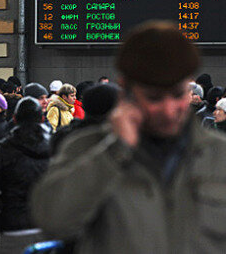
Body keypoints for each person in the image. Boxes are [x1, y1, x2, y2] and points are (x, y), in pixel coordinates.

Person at [31, 20, 226, 253]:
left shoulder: (218, 154)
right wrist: (113, 152)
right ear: (127, 90)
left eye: (177, 95)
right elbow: (52, 219)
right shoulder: (87, 148)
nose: (168, 109)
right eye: (154, 98)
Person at [0, 97, 51, 254]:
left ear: (15, 119)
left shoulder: (2, 150)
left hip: (12, 229)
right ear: (42, 119)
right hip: (47, 228)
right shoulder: (55, 148)